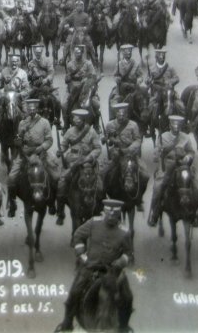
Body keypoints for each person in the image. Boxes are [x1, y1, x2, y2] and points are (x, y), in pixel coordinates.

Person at [54, 199, 133, 333]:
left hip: (113, 272)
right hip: (91, 268)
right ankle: (67, 324)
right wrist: (82, 254)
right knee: (74, 293)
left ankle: (124, 326)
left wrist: (120, 263)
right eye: (109, 214)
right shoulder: (93, 223)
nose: (111, 218)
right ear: (104, 213)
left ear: (119, 215)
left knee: (127, 297)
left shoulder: (124, 232)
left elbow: (128, 252)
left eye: (114, 216)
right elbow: (78, 236)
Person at [7, 98, 60, 217]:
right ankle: (12, 204)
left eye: (33, 108)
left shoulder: (45, 122)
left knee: (56, 177)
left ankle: (52, 202)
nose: (31, 111)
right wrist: (19, 138)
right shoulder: (22, 123)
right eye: (29, 109)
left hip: (41, 152)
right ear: (26, 110)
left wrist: (41, 148)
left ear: (37, 109)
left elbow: (49, 140)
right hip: (25, 153)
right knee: (11, 178)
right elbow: (17, 141)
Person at [147, 114, 198, 227]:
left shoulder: (185, 137)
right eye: (174, 124)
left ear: (180, 126)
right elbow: (156, 154)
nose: (176, 127)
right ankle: (154, 213)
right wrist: (159, 152)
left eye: (178, 125)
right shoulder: (163, 137)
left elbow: (191, 152)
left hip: (182, 165)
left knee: (195, 185)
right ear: (170, 125)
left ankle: (194, 214)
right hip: (167, 165)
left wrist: (187, 157)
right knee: (158, 187)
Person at [56, 108, 102, 224]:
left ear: (83, 120)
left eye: (78, 118)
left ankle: (99, 208)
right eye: (74, 118)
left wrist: (90, 157)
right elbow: (64, 145)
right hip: (73, 160)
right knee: (61, 183)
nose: (76, 120)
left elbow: (97, 148)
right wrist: (60, 150)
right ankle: (60, 212)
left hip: (88, 161)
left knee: (100, 186)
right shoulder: (70, 131)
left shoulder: (91, 132)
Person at [103, 102, 148, 209]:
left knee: (145, 175)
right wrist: (106, 139)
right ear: (116, 113)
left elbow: (138, 140)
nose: (121, 116)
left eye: (123, 113)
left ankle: (139, 199)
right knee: (104, 174)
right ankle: (104, 196)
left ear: (126, 113)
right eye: (119, 113)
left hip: (131, 155)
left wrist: (128, 149)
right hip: (116, 155)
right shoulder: (110, 125)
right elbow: (106, 140)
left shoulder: (133, 125)